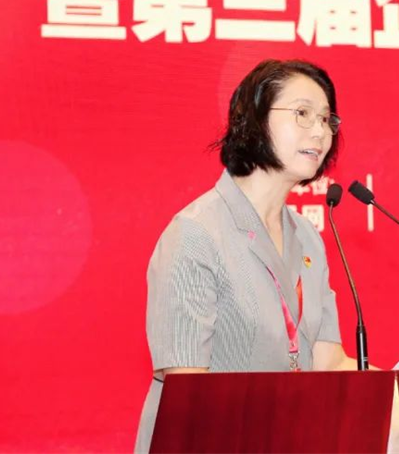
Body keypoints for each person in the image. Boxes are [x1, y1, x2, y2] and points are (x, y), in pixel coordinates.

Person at [134, 59, 358, 453]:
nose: (320, 131)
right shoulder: (196, 233)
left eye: (326, 119)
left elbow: (329, 362)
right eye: (303, 113)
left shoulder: (307, 236)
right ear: (254, 120)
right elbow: (188, 388)